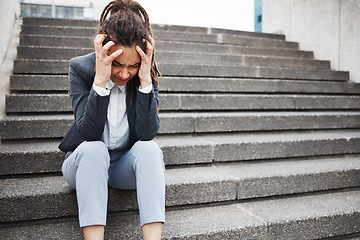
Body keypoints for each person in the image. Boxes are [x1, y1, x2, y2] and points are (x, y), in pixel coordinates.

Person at [58, 0, 165, 239]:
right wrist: (101, 80)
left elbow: (147, 134)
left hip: (123, 167)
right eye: (117, 64)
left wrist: (146, 80)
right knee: (95, 149)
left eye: (132, 66)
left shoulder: (146, 71)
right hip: (84, 163)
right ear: (105, 49)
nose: (125, 73)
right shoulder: (80, 68)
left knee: (150, 150)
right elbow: (89, 133)